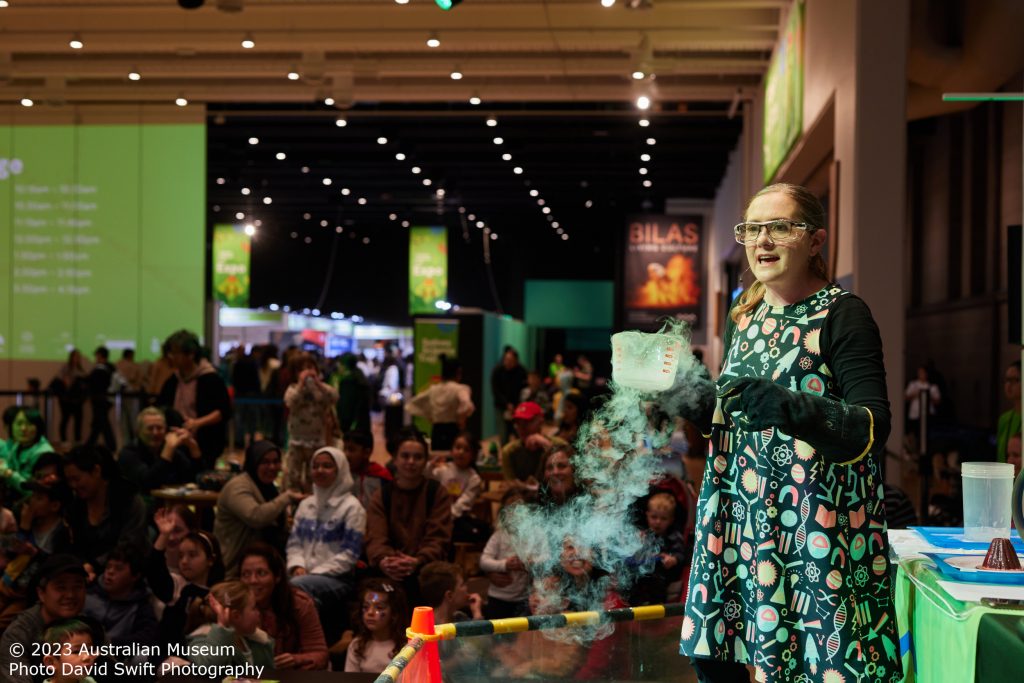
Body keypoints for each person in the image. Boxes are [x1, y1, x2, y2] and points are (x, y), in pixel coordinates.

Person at [675, 183, 900, 682]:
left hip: (816, 527)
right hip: (745, 521)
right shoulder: (745, 314)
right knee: (717, 660)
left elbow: (872, 425)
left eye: (780, 227)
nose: (762, 240)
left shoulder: (843, 314)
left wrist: (793, 408)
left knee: (823, 667)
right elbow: (735, 414)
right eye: (753, 229)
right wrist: (683, 396)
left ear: (816, 242)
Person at [365, 428, 453, 602]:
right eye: (405, 456)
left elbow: (438, 538)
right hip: (389, 567)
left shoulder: (436, 492)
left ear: (425, 461)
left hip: (426, 567)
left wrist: (417, 560)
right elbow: (376, 537)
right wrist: (386, 560)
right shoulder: (382, 495)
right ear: (395, 460)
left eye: (418, 457)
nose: (411, 462)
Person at [286, 446, 365, 639]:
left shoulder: (352, 507)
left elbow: (349, 555)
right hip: (303, 575)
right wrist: (297, 565)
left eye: (327, 466)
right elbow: (294, 543)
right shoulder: (306, 505)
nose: (320, 470)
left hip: (338, 579)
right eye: (315, 466)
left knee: (295, 587)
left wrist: (313, 573)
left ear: (340, 471)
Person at [213, 440, 306, 577]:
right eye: (265, 462)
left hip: (263, 565)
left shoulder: (268, 488)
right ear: (253, 462)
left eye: (276, 461)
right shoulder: (238, 487)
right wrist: (287, 497)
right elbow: (256, 517)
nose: (272, 467)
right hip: (234, 569)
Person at [238, 543, 329, 670]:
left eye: (261, 573)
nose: (253, 580)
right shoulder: (234, 605)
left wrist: (295, 659)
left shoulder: (299, 603)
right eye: (246, 574)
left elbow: (320, 655)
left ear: (277, 576)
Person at [0, 555, 89, 683]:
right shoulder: (19, 634)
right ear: (41, 593)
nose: (70, 595)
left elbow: (113, 673)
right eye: (61, 587)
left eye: (77, 587)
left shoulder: (90, 626)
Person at [62, 445, 148, 575]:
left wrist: (94, 565)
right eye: (69, 480)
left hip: (123, 575)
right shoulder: (75, 505)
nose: (73, 485)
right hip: (83, 573)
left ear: (96, 471)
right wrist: (83, 564)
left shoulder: (128, 499)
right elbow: (73, 546)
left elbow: (131, 545)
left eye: (77, 479)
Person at [147, 508, 224, 646]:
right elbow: (154, 572)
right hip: (167, 656)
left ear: (211, 560)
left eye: (192, 555)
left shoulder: (220, 593)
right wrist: (164, 535)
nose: (184, 561)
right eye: (181, 555)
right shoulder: (179, 586)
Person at [157, 329, 231, 469]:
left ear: (190, 354)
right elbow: (161, 405)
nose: (171, 357)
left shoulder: (210, 378)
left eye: (175, 353)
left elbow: (223, 411)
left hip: (205, 443)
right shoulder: (173, 380)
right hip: (177, 442)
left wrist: (197, 423)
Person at [179, 581, 275, 672]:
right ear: (236, 616)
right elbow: (212, 667)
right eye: (254, 608)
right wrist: (222, 628)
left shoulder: (250, 639)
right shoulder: (200, 641)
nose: (258, 613)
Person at [82, 543, 159, 653]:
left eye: (118, 568)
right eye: (108, 567)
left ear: (135, 576)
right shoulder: (89, 592)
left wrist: (109, 645)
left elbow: (147, 637)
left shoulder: (140, 606)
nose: (110, 572)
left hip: (114, 657)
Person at [283, 353, 338, 492]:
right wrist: (301, 384)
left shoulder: (322, 389)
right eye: (302, 369)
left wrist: (318, 383)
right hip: (296, 440)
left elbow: (334, 397)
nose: (307, 372)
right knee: (292, 474)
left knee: (313, 475)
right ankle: (291, 503)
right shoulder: (293, 388)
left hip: (317, 440)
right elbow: (290, 402)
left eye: (310, 367)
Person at [117, 407, 202, 495]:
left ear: (166, 430)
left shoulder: (173, 453)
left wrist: (193, 446)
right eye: (150, 428)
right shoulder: (128, 453)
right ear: (138, 431)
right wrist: (168, 449)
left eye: (159, 428)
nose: (155, 433)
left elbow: (196, 478)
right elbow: (148, 483)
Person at [479, 488, 530, 619]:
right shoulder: (500, 535)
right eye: (509, 509)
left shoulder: (535, 535)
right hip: (498, 597)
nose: (514, 513)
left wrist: (529, 563)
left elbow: (545, 559)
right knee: (497, 635)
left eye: (519, 508)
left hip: (524, 598)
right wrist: (505, 564)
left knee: (522, 634)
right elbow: (484, 561)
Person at [406, 354, 474, 451]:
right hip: (453, 431)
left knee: (437, 459)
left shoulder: (433, 389)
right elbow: (467, 405)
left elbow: (411, 404)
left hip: (437, 431)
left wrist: (430, 416)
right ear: (458, 372)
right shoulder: (460, 389)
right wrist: (461, 418)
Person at [630, 492, 688, 605]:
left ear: (671, 520)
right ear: (647, 515)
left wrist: (673, 559)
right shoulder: (644, 535)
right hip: (642, 576)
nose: (658, 522)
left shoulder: (673, 536)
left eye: (663, 518)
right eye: (654, 517)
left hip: (663, 576)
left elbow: (682, 554)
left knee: (654, 579)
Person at [431, 432, 487, 544]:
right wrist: (430, 464)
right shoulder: (443, 469)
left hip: (457, 518)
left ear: (473, 455)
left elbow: (464, 502)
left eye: (466, 450)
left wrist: (448, 517)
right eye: (458, 447)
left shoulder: (474, 478)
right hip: (437, 515)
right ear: (451, 451)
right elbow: (427, 476)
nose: (461, 452)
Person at [344, 578, 409, 674]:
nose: (370, 613)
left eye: (379, 607)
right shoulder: (357, 646)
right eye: (366, 607)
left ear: (394, 613)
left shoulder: (407, 647)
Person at [500, 401, 568, 489]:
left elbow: (568, 480)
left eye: (527, 422)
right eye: (518, 422)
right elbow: (510, 485)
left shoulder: (560, 444)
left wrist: (546, 445)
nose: (522, 427)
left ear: (541, 421)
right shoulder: (509, 451)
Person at [1, 407, 55, 491]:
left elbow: (35, 491)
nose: (23, 429)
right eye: (19, 424)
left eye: (29, 424)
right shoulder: (18, 445)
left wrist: (9, 474)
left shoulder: (44, 454)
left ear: (38, 427)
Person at [418, 560, 483, 624]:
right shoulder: (426, 630)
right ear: (449, 596)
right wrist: (477, 615)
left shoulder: (460, 617)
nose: (466, 588)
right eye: (462, 585)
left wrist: (476, 613)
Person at [343, 430, 393, 511]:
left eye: (351, 450)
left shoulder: (382, 476)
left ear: (367, 453)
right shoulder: (342, 475)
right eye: (345, 449)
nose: (346, 454)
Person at [491, 347, 527, 443]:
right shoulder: (497, 371)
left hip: (517, 408)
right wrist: (506, 404)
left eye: (510, 360)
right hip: (501, 407)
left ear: (516, 361)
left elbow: (524, 390)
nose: (507, 362)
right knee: (503, 434)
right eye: (506, 360)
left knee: (518, 433)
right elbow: (495, 390)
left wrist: (517, 404)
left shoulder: (521, 371)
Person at [332, 352, 373, 436]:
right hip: (361, 422)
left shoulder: (348, 381)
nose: (338, 366)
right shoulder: (360, 375)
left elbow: (345, 407)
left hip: (350, 424)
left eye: (340, 363)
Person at [84, 346, 116, 449]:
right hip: (106, 400)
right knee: (100, 424)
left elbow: (94, 384)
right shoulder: (111, 368)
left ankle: (109, 446)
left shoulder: (100, 370)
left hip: (100, 399)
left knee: (101, 423)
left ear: (100, 355)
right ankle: (92, 445)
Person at [904, 365, 940, 452]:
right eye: (919, 373)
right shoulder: (913, 385)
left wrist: (928, 396)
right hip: (915, 415)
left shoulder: (932, 387)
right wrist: (916, 394)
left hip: (927, 416)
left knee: (926, 436)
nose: (921, 375)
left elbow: (938, 400)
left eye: (922, 373)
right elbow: (906, 397)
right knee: (915, 435)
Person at [54, 349, 87, 445]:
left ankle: (78, 440)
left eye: (78, 357)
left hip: (77, 400)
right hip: (66, 399)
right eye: (75, 356)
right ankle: (63, 440)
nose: (77, 359)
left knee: (78, 420)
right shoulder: (66, 368)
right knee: (65, 419)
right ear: (71, 357)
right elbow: (62, 381)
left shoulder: (81, 370)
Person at [996, 360, 1022, 464]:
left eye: (1014, 380)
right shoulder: (1004, 419)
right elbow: (1000, 457)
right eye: (1007, 380)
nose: (1008, 385)